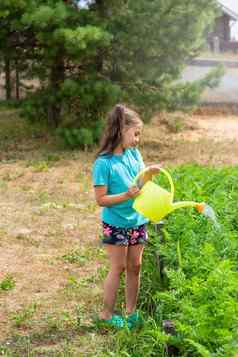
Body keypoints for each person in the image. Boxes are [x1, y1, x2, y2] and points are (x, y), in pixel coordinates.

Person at [92, 103, 160, 329]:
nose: (138, 139)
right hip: (117, 223)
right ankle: (107, 315)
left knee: (135, 266)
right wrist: (125, 195)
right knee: (118, 267)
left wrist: (148, 175)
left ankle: (131, 312)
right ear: (121, 129)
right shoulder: (104, 163)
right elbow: (101, 199)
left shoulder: (134, 154)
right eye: (136, 133)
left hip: (137, 219)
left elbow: (138, 185)